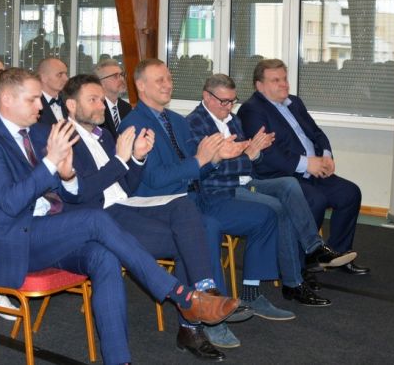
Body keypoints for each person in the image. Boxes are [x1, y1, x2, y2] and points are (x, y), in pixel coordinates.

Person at [0, 67, 239, 365]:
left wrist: (67, 175)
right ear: (6, 99)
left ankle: (118, 360)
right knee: (94, 218)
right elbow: (11, 203)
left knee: (104, 258)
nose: (41, 106)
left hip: (52, 230)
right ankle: (182, 296)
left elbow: (70, 193)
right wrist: (52, 163)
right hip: (11, 241)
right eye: (32, 99)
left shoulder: (42, 133)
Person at [60, 74, 238, 360]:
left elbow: (126, 186)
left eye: (101, 100)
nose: (102, 105)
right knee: (188, 238)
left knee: (185, 209)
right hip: (99, 217)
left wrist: (137, 158)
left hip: (126, 206)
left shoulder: (104, 136)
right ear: (71, 105)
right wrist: (121, 160)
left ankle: (206, 291)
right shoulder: (62, 140)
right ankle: (191, 325)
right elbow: (82, 194)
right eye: (93, 100)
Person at [122, 59, 292, 322]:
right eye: (160, 80)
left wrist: (216, 158)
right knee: (207, 227)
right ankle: (215, 309)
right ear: (141, 86)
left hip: (198, 197)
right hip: (163, 205)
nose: (168, 85)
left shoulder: (176, 121)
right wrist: (202, 160)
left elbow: (198, 167)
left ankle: (250, 293)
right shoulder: (134, 125)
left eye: (169, 78)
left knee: (265, 216)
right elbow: (155, 179)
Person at [187, 74, 345, 309]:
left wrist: (256, 152)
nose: (229, 107)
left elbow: (253, 161)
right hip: (221, 189)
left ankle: (314, 248)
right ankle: (293, 282)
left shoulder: (233, 120)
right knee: (278, 209)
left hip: (246, 180)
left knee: (289, 185)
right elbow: (207, 172)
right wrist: (248, 156)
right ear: (207, 97)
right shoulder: (194, 124)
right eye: (223, 101)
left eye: (232, 101)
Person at [237, 59, 369, 275]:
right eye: (276, 80)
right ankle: (299, 265)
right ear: (259, 86)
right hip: (281, 176)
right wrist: (307, 163)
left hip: (313, 170)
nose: (284, 84)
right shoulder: (252, 110)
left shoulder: (294, 103)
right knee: (315, 200)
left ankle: (337, 255)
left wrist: (326, 155)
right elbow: (269, 154)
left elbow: (316, 133)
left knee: (350, 193)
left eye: (284, 79)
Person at [95, 59, 131, 139]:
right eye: (115, 76)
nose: (122, 79)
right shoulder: (96, 109)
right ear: (101, 82)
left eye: (122, 75)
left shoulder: (127, 107)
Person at [36, 57, 69, 124]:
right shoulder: (33, 103)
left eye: (66, 74)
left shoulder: (68, 100)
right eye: (59, 74)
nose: (66, 79)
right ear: (44, 78)